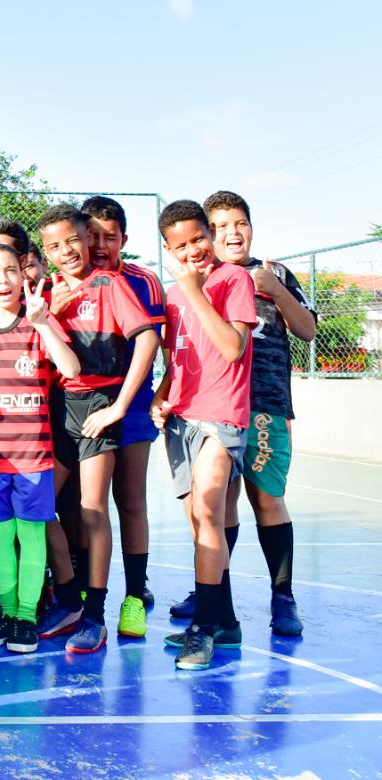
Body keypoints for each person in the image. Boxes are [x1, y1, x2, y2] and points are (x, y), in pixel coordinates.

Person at [35, 204, 158, 654]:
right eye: (54, 246)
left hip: (97, 403)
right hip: (58, 404)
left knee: (93, 510)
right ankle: (69, 598)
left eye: (72, 240)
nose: (65, 251)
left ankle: (96, 615)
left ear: (88, 238)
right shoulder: (45, 292)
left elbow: (148, 338)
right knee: (40, 505)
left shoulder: (110, 284)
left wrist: (119, 406)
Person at [191, 191, 313, 637]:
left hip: (265, 404)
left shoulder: (274, 273)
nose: (231, 232)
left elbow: (308, 329)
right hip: (219, 405)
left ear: (251, 228)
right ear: (207, 233)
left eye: (239, 222)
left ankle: (283, 597)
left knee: (267, 499)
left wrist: (275, 289)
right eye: (220, 226)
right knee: (217, 501)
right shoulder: (203, 279)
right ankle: (214, 593)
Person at [151, 199, 257, 671]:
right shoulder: (173, 296)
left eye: (199, 238)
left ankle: (202, 629)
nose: (193, 249)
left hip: (222, 416)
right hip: (182, 418)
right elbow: (178, 357)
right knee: (199, 524)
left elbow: (233, 347)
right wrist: (161, 394)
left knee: (207, 508)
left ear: (209, 236)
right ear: (168, 248)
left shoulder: (234, 280)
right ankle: (224, 620)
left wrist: (195, 291)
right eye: (181, 244)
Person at [0, 243, 80, 654]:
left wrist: (44, 324)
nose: (3, 279)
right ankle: (7, 611)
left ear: (24, 276)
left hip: (34, 457)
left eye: (11, 270)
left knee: (31, 536)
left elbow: (70, 368)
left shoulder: (39, 324)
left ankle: (26, 617)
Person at [80, 196, 167, 638]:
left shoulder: (143, 282)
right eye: (90, 235)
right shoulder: (66, 282)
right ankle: (80, 589)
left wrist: (148, 397)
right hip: (81, 408)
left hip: (129, 405)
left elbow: (154, 344)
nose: (98, 244)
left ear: (124, 240)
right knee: (81, 505)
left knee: (130, 500)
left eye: (108, 237)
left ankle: (134, 594)